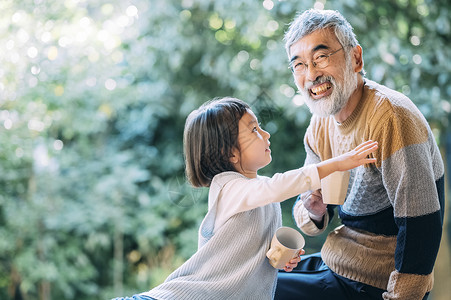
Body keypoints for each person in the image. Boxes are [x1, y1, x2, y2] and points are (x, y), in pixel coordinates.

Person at [113, 97, 378, 300]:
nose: (266, 134)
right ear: (230, 154)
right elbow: (280, 186)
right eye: (253, 130)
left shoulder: (261, 192)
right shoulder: (229, 187)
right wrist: (337, 163)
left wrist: (282, 259)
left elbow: (258, 256)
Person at [274, 9, 445, 300]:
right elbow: (311, 217)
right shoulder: (321, 121)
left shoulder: (392, 117)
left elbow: (422, 226)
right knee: (253, 278)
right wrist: (314, 208)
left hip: (376, 282)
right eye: (300, 65)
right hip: (338, 262)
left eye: (321, 58)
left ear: (356, 58)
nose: (312, 74)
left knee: (259, 291)